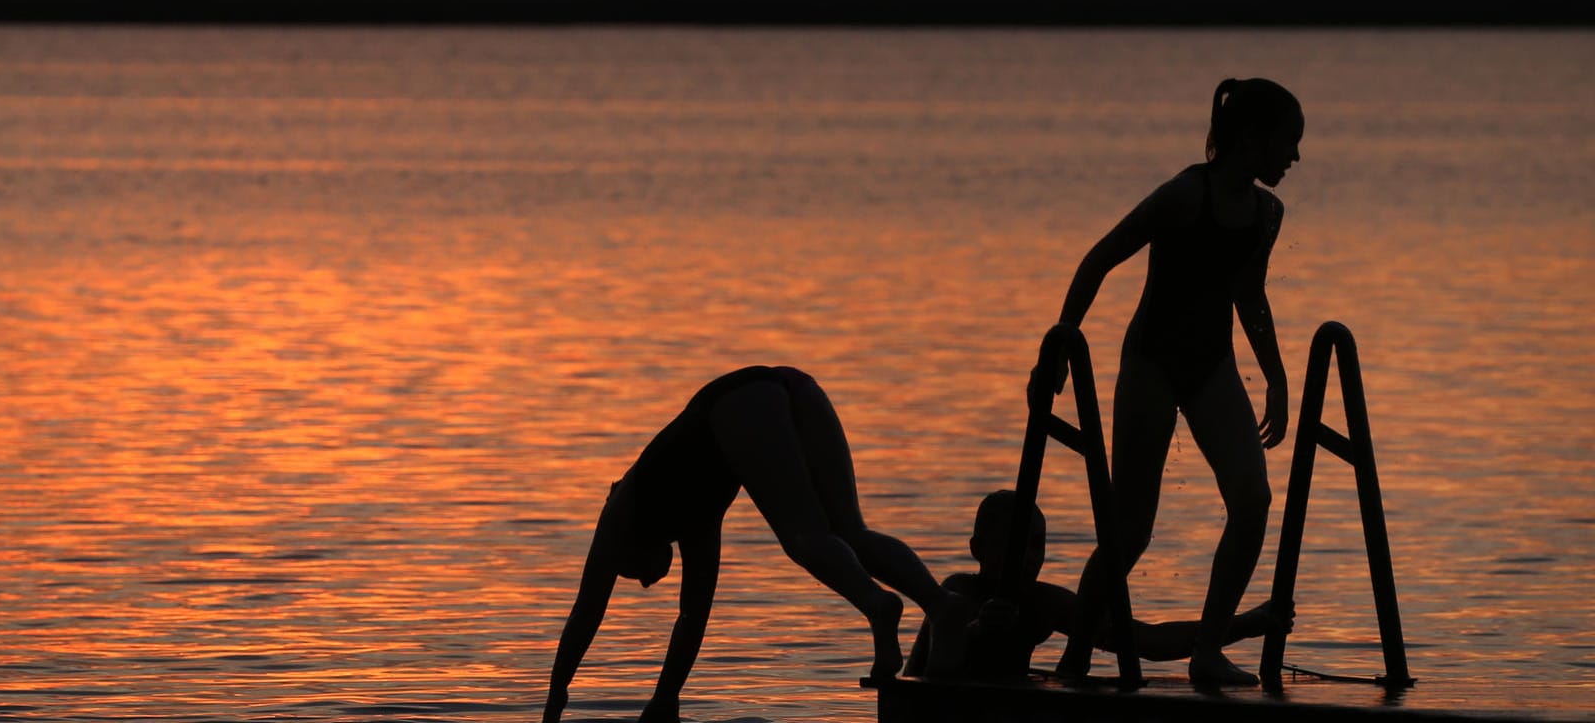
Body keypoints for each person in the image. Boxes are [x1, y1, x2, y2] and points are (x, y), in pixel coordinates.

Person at [1032, 77, 1303, 688]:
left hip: (1212, 368)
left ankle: (1208, 648)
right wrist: (1057, 349)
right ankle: (1076, 658)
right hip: (1151, 365)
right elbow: (1100, 258)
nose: (1295, 157)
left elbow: (1250, 297)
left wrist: (1277, 380)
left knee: (1253, 500)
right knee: (1131, 530)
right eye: (1288, 142)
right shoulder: (1186, 194)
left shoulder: (1267, 213)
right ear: (1253, 139)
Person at [540, 365, 965, 723]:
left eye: (630, 574)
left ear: (629, 549)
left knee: (805, 538)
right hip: (793, 384)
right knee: (850, 533)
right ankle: (941, 605)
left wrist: (554, 701)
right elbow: (692, 616)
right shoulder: (696, 522)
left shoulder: (619, 510)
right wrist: (665, 698)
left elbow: (587, 610)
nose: (646, 584)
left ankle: (877, 605)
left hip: (740, 404)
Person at [900, 490, 1293, 680]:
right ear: (977, 550)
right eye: (1013, 543)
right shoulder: (957, 593)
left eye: (1037, 545)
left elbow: (1145, 641)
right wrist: (979, 631)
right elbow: (936, 677)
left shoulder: (1042, 602)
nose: (1027, 557)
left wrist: (1244, 625)